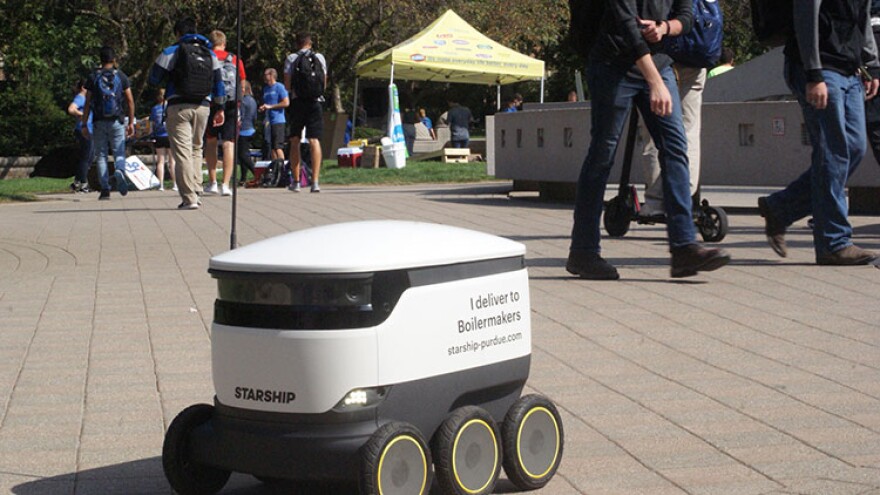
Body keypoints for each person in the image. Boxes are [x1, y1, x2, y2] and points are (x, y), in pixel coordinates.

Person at [566, 0, 730, 280]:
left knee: (676, 148)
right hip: (613, 63)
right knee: (602, 154)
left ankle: (683, 248)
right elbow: (625, 24)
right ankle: (583, 252)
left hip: (659, 62)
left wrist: (665, 28)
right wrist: (654, 81)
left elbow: (687, 15)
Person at [757, 0, 879, 265]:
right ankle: (833, 242)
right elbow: (805, 18)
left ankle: (780, 208)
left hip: (850, 68)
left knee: (854, 148)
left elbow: (864, 18)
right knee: (833, 152)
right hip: (820, 70)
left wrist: (872, 63)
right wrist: (814, 74)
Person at [148, 16, 226, 210]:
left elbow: (154, 78)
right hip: (203, 106)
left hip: (178, 105)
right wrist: (220, 108)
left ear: (178, 33)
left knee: (182, 152)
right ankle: (197, 188)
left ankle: (189, 198)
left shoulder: (172, 51)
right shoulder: (209, 53)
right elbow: (219, 82)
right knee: (197, 148)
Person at [639, 62, 707, 217]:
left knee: (653, 132)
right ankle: (683, 195)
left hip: (658, 62)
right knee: (689, 131)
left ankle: (654, 202)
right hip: (694, 57)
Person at [81, 46, 135, 201]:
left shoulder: (93, 77)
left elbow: (87, 102)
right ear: (114, 59)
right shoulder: (122, 76)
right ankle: (119, 169)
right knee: (119, 151)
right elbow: (130, 101)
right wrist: (130, 122)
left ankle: (105, 189)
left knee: (101, 155)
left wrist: (85, 124)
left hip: (98, 121)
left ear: (100, 59)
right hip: (117, 121)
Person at [283, 32, 327, 193]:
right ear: (310, 43)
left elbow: (287, 84)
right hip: (315, 102)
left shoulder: (291, 58)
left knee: (294, 140)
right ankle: (315, 181)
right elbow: (324, 82)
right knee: (314, 140)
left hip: (297, 102)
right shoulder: (320, 58)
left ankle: (296, 181)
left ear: (297, 43)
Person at [204, 30, 246, 197]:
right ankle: (226, 185)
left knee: (211, 141)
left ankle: (212, 182)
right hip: (231, 103)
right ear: (224, 43)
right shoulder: (235, 59)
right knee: (229, 143)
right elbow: (242, 83)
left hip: (212, 102)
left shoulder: (207, 57)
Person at [67, 79, 93, 194]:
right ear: (83, 88)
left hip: (90, 130)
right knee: (86, 157)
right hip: (84, 130)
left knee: (90, 157)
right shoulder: (80, 97)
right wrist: (82, 114)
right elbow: (71, 109)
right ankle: (83, 184)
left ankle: (77, 182)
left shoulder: (87, 99)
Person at [259, 68, 289, 162]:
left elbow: (286, 103)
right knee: (271, 147)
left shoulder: (279, 87)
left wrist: (271, 106)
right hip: (268, 121)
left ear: (271, 75)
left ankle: (282, 168)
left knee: (278, 146)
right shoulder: (266, 89)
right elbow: (266, 104)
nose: (264, 76)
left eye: (266, 74)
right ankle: (275, 168)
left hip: (278, 120)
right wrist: (263, 108)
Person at [150, 88, 176, 191]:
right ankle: (175, 184)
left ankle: (161, 185)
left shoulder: (155, 109)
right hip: (170, 135)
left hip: (159, 136)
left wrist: (152, 135)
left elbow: (152, 124)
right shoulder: (171, 108)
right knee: (172, 161)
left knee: (160, 161)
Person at [238, 80, 258, 184]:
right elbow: (255, 116)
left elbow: (241, 116)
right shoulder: (253, 100)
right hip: (251, 129)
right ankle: (243, 177)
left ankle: (256, 173)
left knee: (243, 155)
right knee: (244, 154)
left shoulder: (243, 101)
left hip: (243, 130)